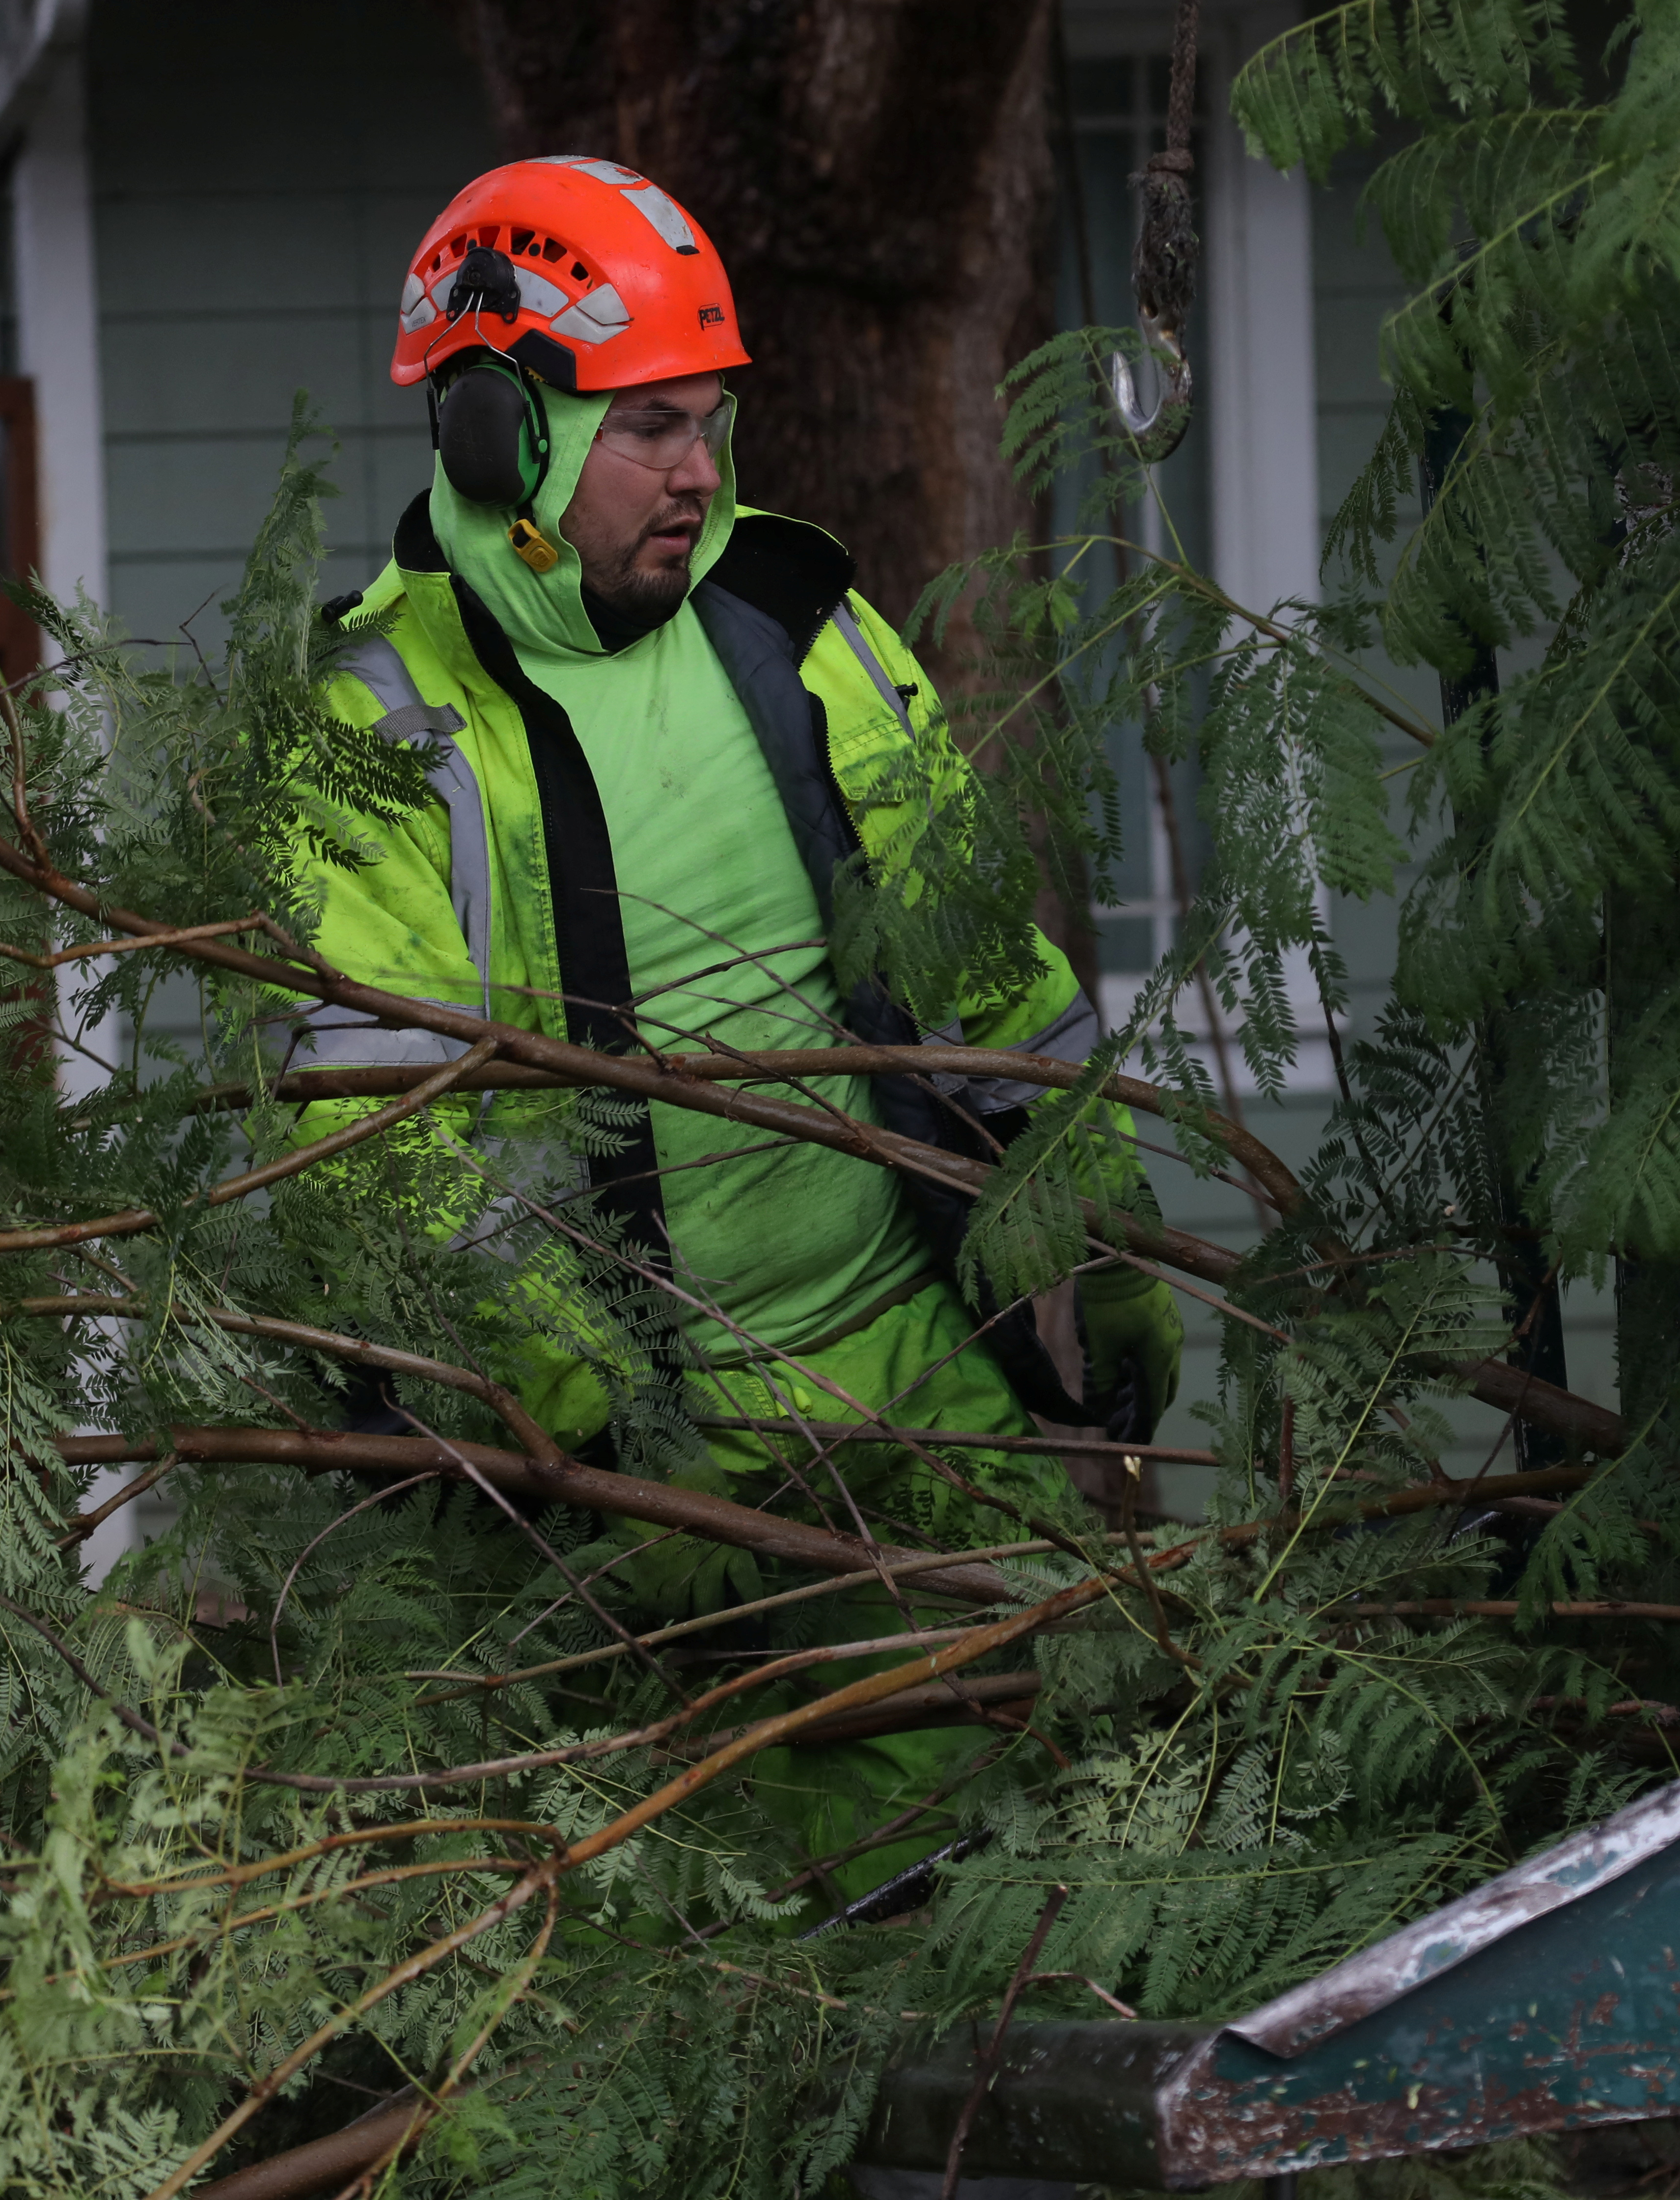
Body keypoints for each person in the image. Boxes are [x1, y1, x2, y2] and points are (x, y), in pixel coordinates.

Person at [284, 156, 1184, 1893]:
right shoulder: (370, 736)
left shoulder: (801, 626)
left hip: (933, 1412)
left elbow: (1002, 998)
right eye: (648, 428)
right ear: (495, 436)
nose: (702, 469)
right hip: (618, 1506)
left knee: (1026, 1918)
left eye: (712, 420)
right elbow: (371, 1175)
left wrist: (1115, 1264)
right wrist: (631, 1470)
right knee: (701, 2001)